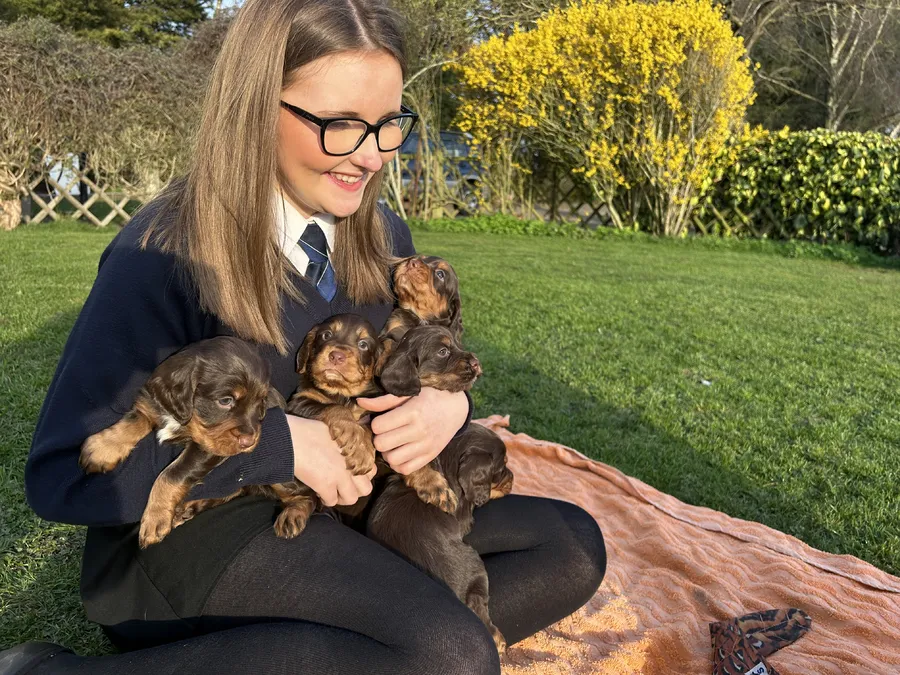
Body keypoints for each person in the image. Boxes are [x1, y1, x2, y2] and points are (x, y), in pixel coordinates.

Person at [0, 0, 606, 673]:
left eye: (388, 124)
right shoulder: (163, 253)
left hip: (346, 509)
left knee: (572, 547)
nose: (371, 156)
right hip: (203, 532)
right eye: (341, 124)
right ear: (257, 108)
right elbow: (62, 476)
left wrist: (447, 405)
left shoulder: (380, 235)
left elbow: (411, 359)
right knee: (450, 654)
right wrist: (282, 444)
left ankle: (359, 649)